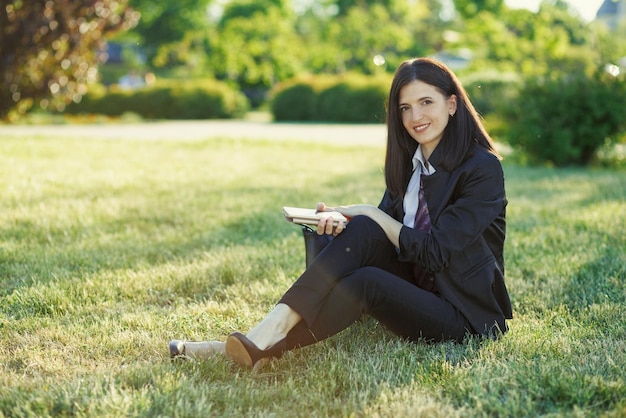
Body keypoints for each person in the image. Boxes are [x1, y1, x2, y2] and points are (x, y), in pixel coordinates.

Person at [169, 57, 512, 367]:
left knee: (367, 271)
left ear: (452, 104)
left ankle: (256, 343)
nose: (416, 116)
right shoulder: (411, 165)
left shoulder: (482, 169)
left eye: (426, 102)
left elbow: (436, 252)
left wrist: (367, 213)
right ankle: (266, 330)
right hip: (417, 287)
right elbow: (380, 238)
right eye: (405, 108)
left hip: (463, 314)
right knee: (357, 231)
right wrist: (342, 226)